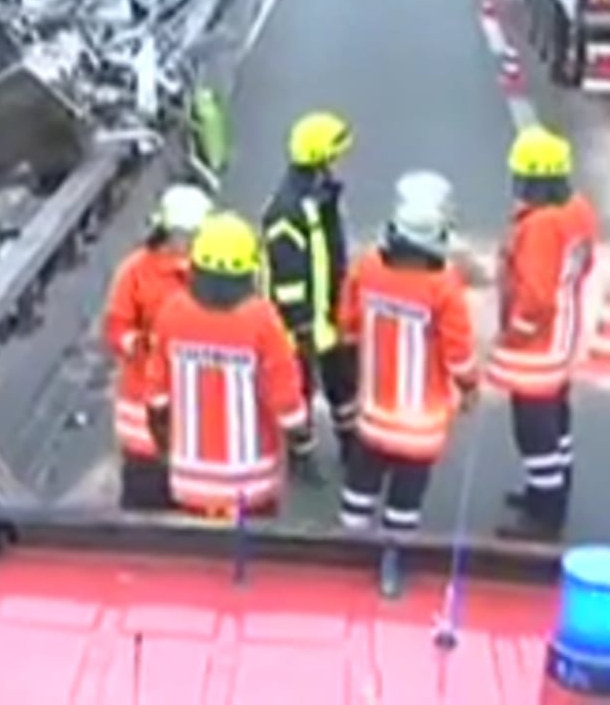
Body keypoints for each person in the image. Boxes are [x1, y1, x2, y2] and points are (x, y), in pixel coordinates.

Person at [337, 171, 479, 544]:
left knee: (359, 490)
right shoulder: (444, 287)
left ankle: (349, 551)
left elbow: (347, 326)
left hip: (373, 412)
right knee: (405, 501)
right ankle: (394, 556)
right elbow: (458, 353)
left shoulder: (366, 268)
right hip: (420, 425)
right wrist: (469, 388)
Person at [145, 212, 310, 520]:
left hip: (190, 479)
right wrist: (302, 440)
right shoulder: (262, 319)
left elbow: (156, 396)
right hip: (252, 480)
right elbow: (285, 400)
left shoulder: (173, 312)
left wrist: (165, 448)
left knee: (197, 563)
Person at [491, 125, 600, 541]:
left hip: (537, 347)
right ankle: (553, 491)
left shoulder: (540, 226)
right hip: (565, 336)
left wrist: (514, 333)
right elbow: (584, 265)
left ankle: (544, 512)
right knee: (557, 420)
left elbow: (535, 296)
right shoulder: (579, 210)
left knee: (533, 427)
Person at [102, 184, 214, 510]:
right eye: (189, 236)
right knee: (145, 498)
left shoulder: (207, 273)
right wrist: (147, 347)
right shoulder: (135, 273)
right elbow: (116, 328)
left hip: (193, 409)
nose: (193, 244)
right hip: (144, 413)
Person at [261, 111, 355, 479]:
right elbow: (287, 273)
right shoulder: (289, 208)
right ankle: (301, 457)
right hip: (302, 322)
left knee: (342, 383)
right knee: (297, 391)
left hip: (327, 314)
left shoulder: (318, 196)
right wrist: (299, 322)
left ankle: (350, 443)